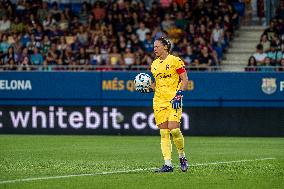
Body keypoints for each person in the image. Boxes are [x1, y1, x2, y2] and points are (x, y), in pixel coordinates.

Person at [136, 37, 189, 173]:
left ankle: (182, 156)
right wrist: (147, 87)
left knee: (174, 130)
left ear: (165, 47)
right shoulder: (154, 64)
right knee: (164, 133)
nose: (155, 49)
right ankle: (168, 164)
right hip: (158, 101)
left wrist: (179, 94)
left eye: (157, 46)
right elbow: (156, 85)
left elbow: (184, 79)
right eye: (154, 47)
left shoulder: (175, 61)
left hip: (174, 100)